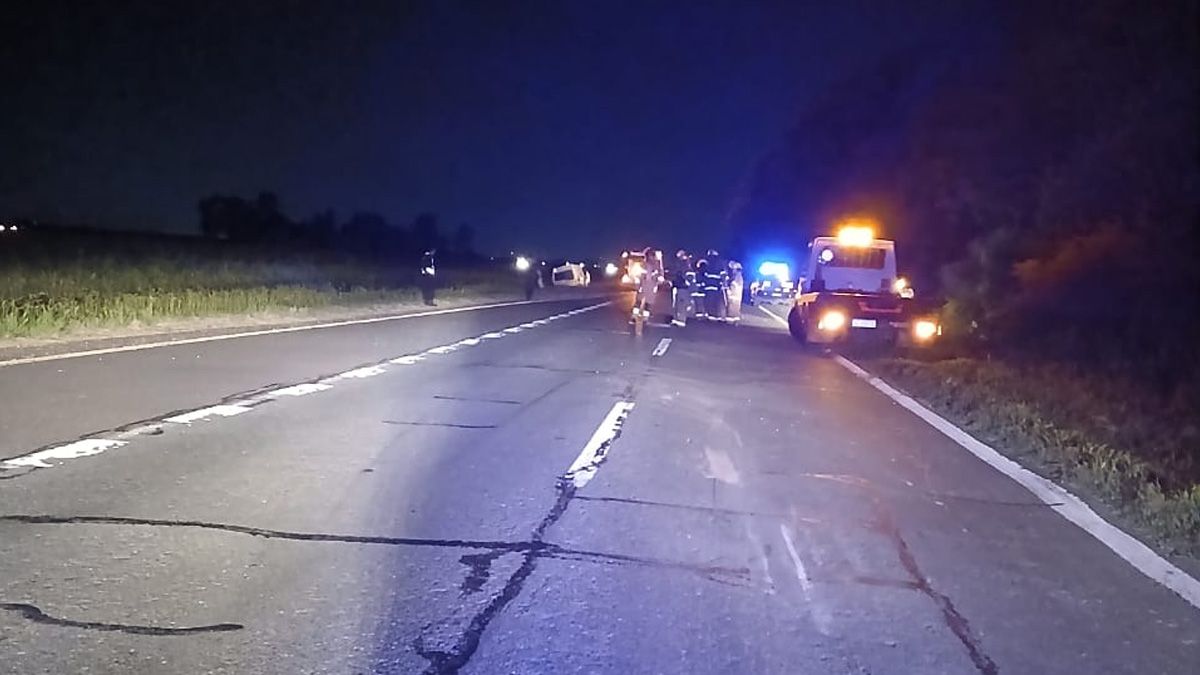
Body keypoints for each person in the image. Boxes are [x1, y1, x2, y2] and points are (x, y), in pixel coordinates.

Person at [632, 247, 664, 323]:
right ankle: (639, 317)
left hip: (647, 285)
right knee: (645, 302)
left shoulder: (649, 264)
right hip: (648, 285)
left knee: (642, 302)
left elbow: (660, 275)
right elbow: (660, 274)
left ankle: (638, 317)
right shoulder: (652, 265)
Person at [701, 248, 728, 321]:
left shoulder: (708, 262)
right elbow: (723, 273)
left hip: (708, 284)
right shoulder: (720, 262)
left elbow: (704, 273)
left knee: (709, 299)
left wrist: (704, 282)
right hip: (716, 285)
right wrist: (724, 283)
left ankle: (711, 314)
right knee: (717, 300)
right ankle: (716, 315)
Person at [670, 249, 693, 327]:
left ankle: (681, 320)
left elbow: (687, 276)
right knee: (676, 304)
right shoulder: (679, 264)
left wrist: (685, 280)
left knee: (681, 304)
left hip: (683, 287)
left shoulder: (685, 264)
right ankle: (676, 319)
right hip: (677, 286)